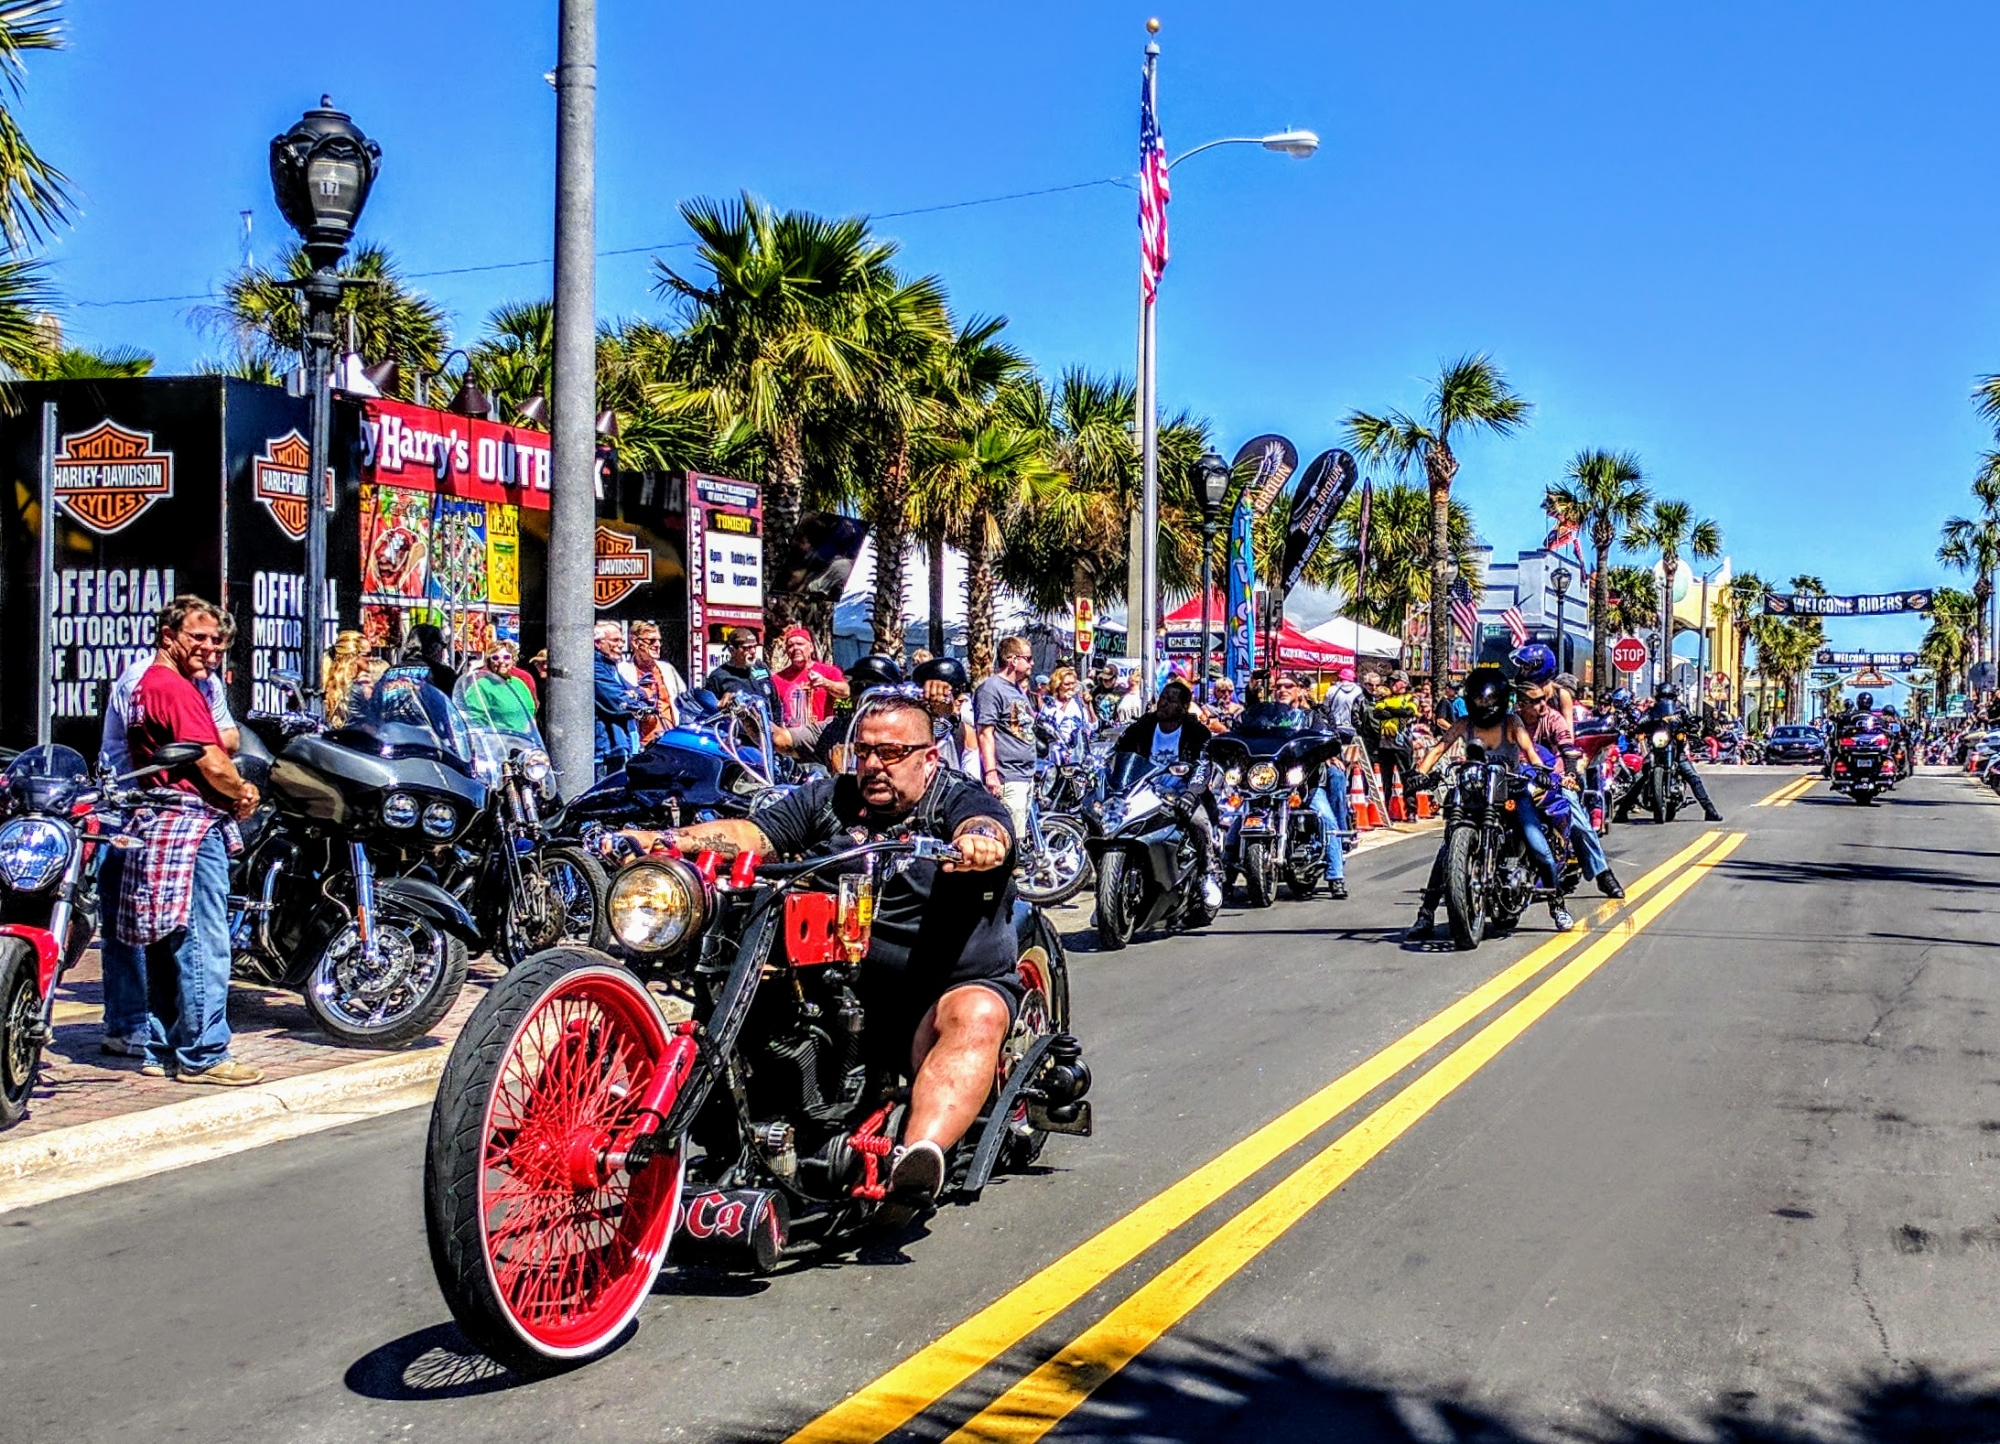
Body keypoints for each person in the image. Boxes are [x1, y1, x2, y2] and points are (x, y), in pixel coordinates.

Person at [604, 691, 1018, 1207]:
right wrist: (670, 840)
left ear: (929, 757)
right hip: (840, 978)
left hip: (936, 990)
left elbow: (986, 823)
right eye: (863, 751)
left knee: (977, 1013)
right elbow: (755, 832)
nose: (872, 765)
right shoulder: (831, 798)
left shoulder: (955, 799)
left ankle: (919, 1152)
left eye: (891, 753)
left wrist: (980, 843)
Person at [119, 596, 263, 1085]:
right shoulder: (176, 689)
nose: (209, 648)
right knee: (203, 939)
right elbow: (212, 760)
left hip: (156, 821)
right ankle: (205, 1052)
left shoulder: (145, 685)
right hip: (189, 825)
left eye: (217, 640)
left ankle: (162, 1047)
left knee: (166, 938)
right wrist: (242, 792)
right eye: (197, 637)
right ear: (168, 636)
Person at [1408, 670, 1575, 938]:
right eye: (1479, 701)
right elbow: (1439, 747)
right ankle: (1425, 915)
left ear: (1500, 701)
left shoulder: (1512, 722)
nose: (1483, 706)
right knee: (1446, 849)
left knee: (1537, 844)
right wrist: (1420, 774)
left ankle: (1557, 905)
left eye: (1487, 702)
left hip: (1511, 790)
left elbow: (1530, 751)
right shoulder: (1464, 723)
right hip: (1475, 792)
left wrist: (1541, 770)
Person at [1113, 678, 1223, 907]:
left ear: (1183, 707)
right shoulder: (1144, 725)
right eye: (1163, 698)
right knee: (1111, 825)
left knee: (1198, 822)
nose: (1163, 704)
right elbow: (1121, 749)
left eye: (1171, 700)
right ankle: (1109, 894)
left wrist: (1191, 794)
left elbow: (1203, 765)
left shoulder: (1196, 732)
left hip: (1181, 792)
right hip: (1143, 791)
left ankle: (1207, 873)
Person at [1514, 678, 1624, 899]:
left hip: (1553, 776)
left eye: (1542, 697)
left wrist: (1568, 775)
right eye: (1532, 699)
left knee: (1575, 814)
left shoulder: (1553, 718)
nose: (1541, 704)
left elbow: (1568, 747)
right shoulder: (1510, 719)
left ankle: (1603, 873)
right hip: (1517, 778)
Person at [1614, 683, 1722, 823]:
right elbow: (1643, 720)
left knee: (1692, 776)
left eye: (1668, 696)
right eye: (1663, 696)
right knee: (1640, 776)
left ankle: (1710, 811)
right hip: (1657, 748)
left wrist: (1692, 724)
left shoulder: (1680, 708)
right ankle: (1621, 812)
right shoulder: (1653, 710)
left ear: (1673, 696)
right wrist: (1635, 727)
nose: (1666, 699)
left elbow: (1689, 719)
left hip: (1676, 749)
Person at [974, 636, 1041, 840]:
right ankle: (1014, 871)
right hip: (1007, 775)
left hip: (1025, 774)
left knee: (1020, 834)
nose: (1032, 663)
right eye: (1028, 658)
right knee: (1011, 836)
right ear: (1013, 660)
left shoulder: (1016, 690)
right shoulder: (991, 689)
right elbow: (985, 732)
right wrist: (991, 773)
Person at [592, 621, 647, 780]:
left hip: (621, 745)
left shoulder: (610, 667)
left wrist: (633, 696)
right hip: (606, 749)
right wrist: (631, 698)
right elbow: (617, 702)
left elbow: (640, 693)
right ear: (598, 643)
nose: (621, 645)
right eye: (615, 640)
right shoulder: (595, 667)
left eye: (622, 641)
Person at [620, 620, 686, 746]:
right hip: (639, 745)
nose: (658, 645)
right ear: (635, 642)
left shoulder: (667, 669)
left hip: (670, 742)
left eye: (659, 640)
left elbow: (684, 702)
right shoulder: (622, 671)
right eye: (651, 641)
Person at [914, 655, 979, 776]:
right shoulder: (909, 728)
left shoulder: (964, 731)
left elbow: (973, 779)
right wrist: (940, 715)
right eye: (955, 693)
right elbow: (932, 736)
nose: (962, 699)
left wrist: (944, 717)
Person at [772, 625, 848, 727]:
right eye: (790, 645)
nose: (795, 648)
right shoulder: (777, 679)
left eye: (800, 644)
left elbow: (845, 692)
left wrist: (825, 683)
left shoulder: (828, 671)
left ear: (811, 647)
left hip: (821, 735)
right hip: (790, 737)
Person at [460, 641, 540, 735]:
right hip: (499, 743)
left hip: (526, 742)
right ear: (489, 662)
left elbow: (531, 716)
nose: (501, 661)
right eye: (495, 657)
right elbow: (472, 720)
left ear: (513, 660)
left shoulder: (519, 683)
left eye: (506, 657)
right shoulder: (481, 686)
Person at [702, 627, 783, 714]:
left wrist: (779, 725)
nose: (753, 651)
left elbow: (775, 703)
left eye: (754, 646)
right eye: (746, 648)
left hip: (768, 725)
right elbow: (711, 711)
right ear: (732, 650)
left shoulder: (761, 667)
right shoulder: (718, 677)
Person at [1373, 671, 1419, 817]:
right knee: (1386, 780)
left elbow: (1408, 712)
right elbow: (1377, 713)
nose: (1392, 684)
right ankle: (1385, 811)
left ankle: (1411, 810)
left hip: (1403, 745)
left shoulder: (1411, 697)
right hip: (1385, 744)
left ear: (1404, 683)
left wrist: (1390, 711)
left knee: (1407, 778)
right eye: (1391, 681)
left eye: (1396, 681)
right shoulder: (1384, 698)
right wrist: (1393, 712)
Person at [1039, 665, 1094, 764]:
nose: (1071, 687)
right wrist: (1065, 704)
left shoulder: (1077, 703)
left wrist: (1089, 705)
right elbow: (1050, 725)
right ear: (1058, 685)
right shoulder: (1050, 704)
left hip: (1077, 754)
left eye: (1073, 683)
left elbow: (1092, 726)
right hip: (1056, 755)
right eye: (1067, 684)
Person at [403, 621, 458, 694]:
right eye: (443, 645)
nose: (442, 650)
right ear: (434, 646)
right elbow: (454, 700)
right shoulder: (444, 674)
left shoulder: (391, 672)